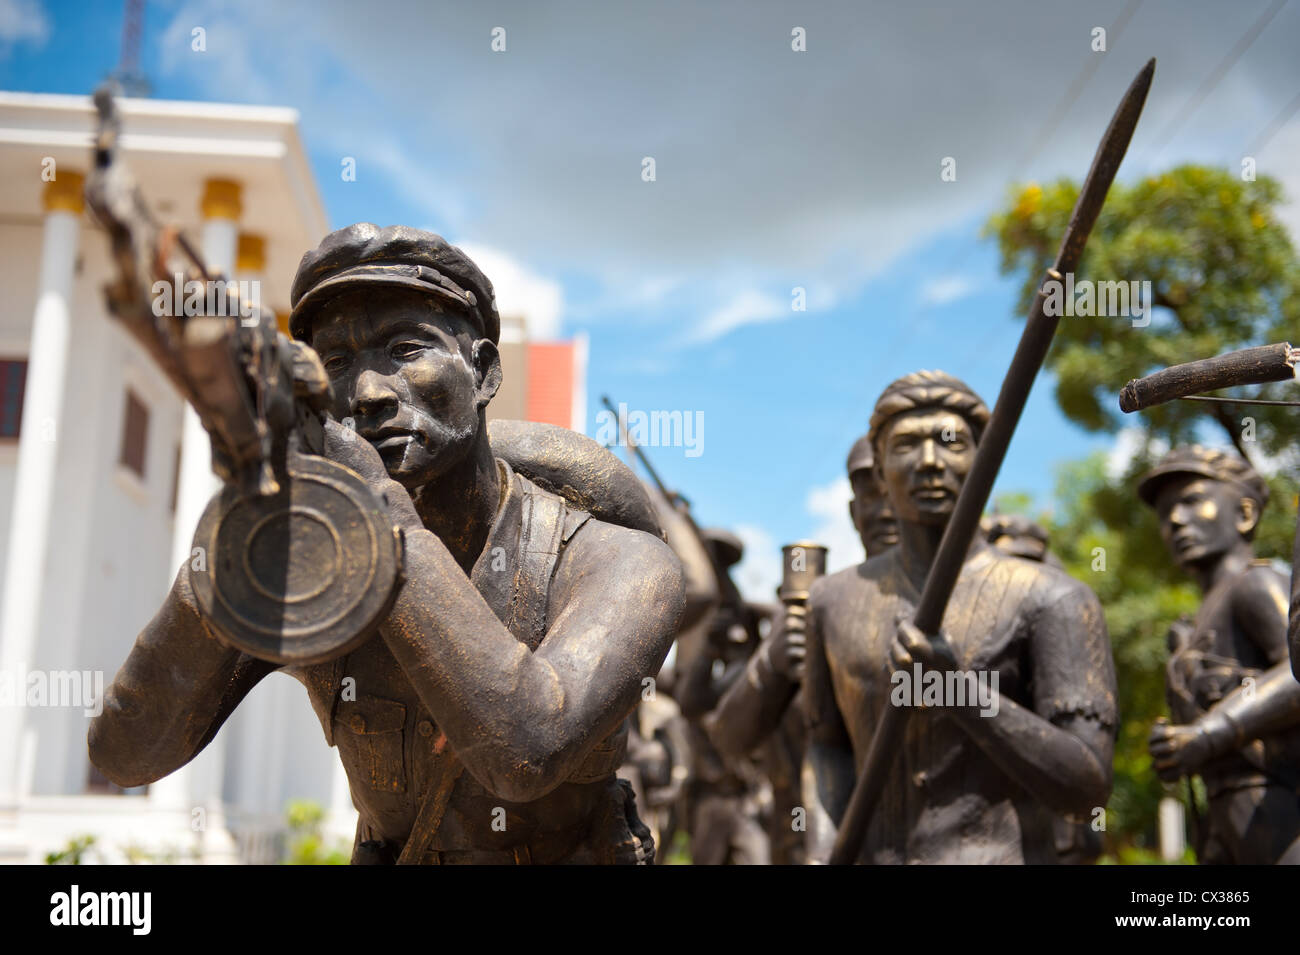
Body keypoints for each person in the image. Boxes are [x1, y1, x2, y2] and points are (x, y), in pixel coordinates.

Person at [89, 224, 685, 865]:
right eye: (337, 365)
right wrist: (234, 545)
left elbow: (525, 750)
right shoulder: (315, 562)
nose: (368, 395)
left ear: (483, 373)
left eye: (404, 349)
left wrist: (384, 522)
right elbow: (127, 753)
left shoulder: (616, 561)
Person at [804, 370, 1117, 864]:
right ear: (879, 472)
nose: (929, 462)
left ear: (983, 463)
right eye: (906, 445)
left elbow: (1086, 789)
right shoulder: (831, 600)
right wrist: (820, 855)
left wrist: (961, 692)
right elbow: (827, 750)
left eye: (950, 443)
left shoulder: (1053, 598)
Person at [1140, 445, 1300, 864]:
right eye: (1164, 513)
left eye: (1192, 501)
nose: (1174, 520)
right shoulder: (1191, 627)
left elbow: (1298, 672)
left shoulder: (1257, 584)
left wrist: (1209, 734)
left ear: (1245, 514)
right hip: (1221, 823)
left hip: (1280, 805)